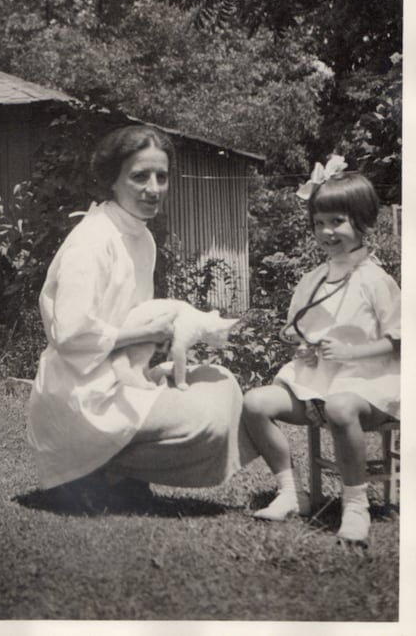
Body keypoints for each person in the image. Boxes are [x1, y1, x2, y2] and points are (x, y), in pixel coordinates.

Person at [26, 124, 256, 511]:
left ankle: (117, 476)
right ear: (111, 180)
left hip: (115, 374)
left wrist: (147, 358)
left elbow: (132, 323)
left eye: (161, 177)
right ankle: (87, 473)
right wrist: (150, 331)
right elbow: (69, 333)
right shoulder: (92, 240)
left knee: (222, 384)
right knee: (206, 420)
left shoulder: (141, 238)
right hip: (78, 393)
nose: (153, 188)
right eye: (139, 176)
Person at [243, 155, 400, 544]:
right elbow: (294, 328)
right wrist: (302, 347)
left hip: (370, 384)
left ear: (362, 222)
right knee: (255, 403)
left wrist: (351, 354)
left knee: (341, 406)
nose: (327, 232)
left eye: (337, 222)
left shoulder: (375, 280)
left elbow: (401, 340)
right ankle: (291, 492)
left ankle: (356, 505)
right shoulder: (313, 279)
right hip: (318, 381)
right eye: (319, 223)